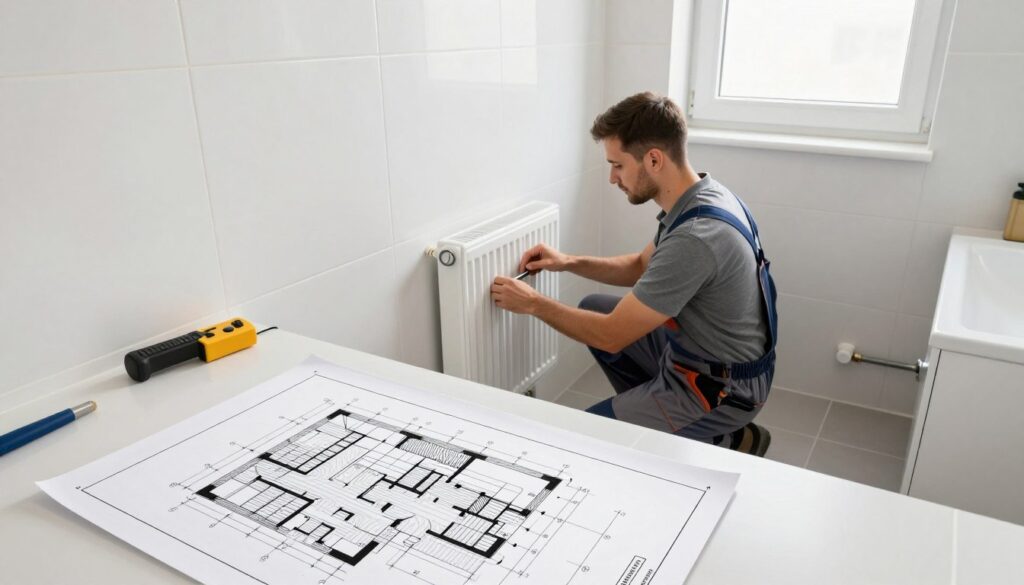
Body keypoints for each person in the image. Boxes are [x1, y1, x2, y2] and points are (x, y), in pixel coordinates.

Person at [490, 92, 778, 455]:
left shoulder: (697, 237)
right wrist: (567, 261)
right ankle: (660, 423)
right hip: (703, 357)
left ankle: (719, 436)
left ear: (654, 159)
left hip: (722, 387)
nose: (612, 178)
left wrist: (533, 304)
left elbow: (611, 336)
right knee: (595, 306)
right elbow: (641, 266)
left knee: (588, 441)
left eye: (618, 165)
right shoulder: (700, 196)